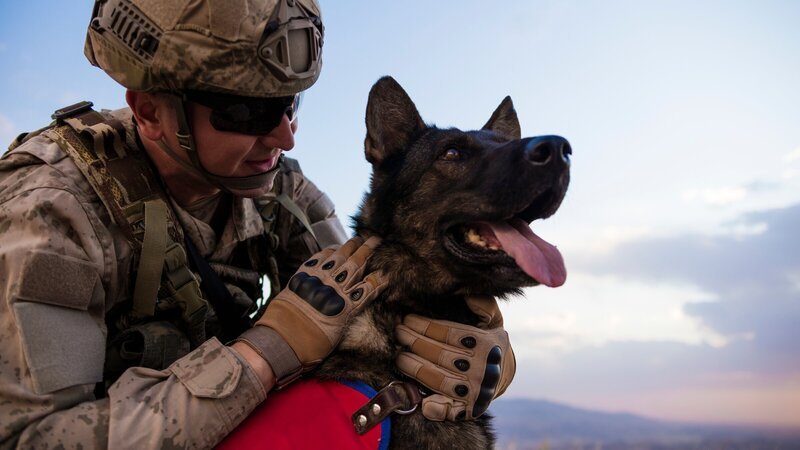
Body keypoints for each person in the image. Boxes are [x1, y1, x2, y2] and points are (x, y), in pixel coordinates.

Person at [0, 0, 516, 448]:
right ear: (152, 111)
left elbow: (386, 310)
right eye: (247, 114)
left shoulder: (281, 192)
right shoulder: (52, 212)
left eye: (288, 105)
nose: (284, 137)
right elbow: (33, 438)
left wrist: (484, 351)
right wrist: (265, 354)